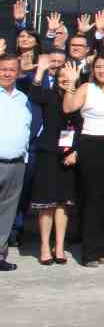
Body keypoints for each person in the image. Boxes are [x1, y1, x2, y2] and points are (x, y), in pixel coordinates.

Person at [62, 54, 104, 267]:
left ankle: (101, 248)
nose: (102, 70)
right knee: (92, 198)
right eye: (98, 66)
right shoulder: (87, 88)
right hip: (92, 144)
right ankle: (89, 252)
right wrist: (71, 84)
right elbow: (68, 108)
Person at [27, 59, 79, 265]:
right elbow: (34, 92)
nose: (66, 81)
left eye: (70, 78)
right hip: (48, 152)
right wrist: (40, 69)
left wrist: (76, 152)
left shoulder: (79, 97)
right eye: (62, 78)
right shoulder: (49, 96)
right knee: (46, 203)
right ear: (56, 80)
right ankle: (44, 246)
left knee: (62, 203)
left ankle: (59, 246)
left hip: (69, 154)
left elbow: (82, 126)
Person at [0, 55, 32, 272]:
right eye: (3, 69)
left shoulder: (23, 98)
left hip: (17, 163)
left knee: (7, 213)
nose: (7, 73)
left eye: (12, 70)